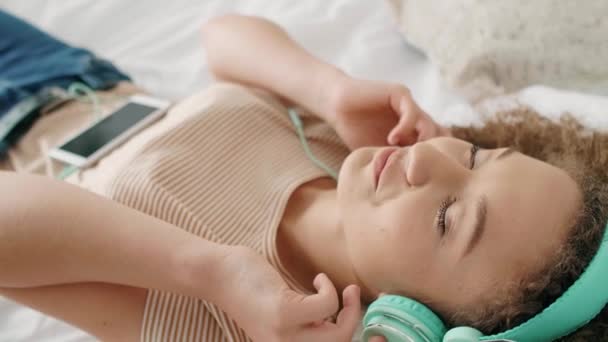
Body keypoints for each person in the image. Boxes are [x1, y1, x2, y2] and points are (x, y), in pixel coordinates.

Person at [0, 12, 607, 342]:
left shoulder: (235, 320)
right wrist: (330, 90)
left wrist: (213, 270)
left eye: (450, 219)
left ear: (410, 326)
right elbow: (221, 35)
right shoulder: (357, 152)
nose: (432, 162)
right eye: (476, 157)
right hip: (75, 74)